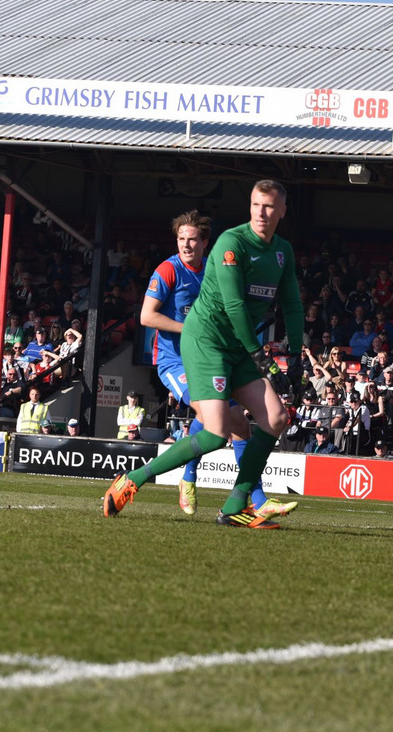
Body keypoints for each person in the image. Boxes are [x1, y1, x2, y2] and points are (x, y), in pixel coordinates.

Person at [103, 179, 304, 529]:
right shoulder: (232, 243)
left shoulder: (282, 251)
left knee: (275, 418)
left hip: (238, 346)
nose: (261, 212)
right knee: (216, 431)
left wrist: (298, 356)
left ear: (283, 211)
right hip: (206, 341)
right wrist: (260, 356)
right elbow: (234, 305)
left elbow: (292, 303)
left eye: (269, 206)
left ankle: (235, 506)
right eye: (256, 204)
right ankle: (133, 479)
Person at [141, 210, 297, 518]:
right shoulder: (168, 270)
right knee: (221, 417)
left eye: (192, 240)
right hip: (176, 361)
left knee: (240, 424)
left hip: (214, 356)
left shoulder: (216, 269)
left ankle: (255, 500)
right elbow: (147, 316)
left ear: (205, 243)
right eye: (181, 239)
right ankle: (190, 477)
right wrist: (195, 330)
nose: (185, 245)